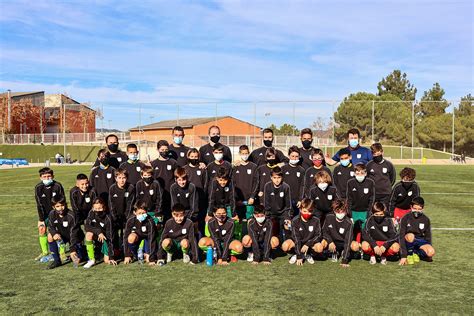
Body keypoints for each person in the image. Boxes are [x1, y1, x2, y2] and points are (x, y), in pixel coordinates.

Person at [34, 167, 65, 262]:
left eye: (49, 176)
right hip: (46, 214)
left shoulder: (58, 186)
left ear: (53, 176)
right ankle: (45, 252)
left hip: (58, 213)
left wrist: (61, 214)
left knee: (58, 232)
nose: (47, 178)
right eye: (44, 177)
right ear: (40, 177)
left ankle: (62, 252)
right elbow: (39, 204)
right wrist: (41, 219)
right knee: (42, 229)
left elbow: (63, 201)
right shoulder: (38, 187)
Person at [282, 198, 323, 265]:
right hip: (297, 242)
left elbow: (318, 235)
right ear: (300, 210)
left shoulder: (316, 220)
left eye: (310, 211)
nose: (307, 213)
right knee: (285, 246)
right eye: (305, 211)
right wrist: (299, 255)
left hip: (309, 243)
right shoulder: (295, 221)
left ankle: (308, 254)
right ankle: (295, 254)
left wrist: (308, 244)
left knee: (319, 248)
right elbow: (296, 238)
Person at [46, 196, 84, 269]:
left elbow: (74, 234)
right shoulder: (52, 214)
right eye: (58, 206)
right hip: (62, 236)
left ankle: (82, 252)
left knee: (78, 260)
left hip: (75, 238)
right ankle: (57, 261)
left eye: (62, 205)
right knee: (50, 236)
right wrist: (54, 233)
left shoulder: (71, 215)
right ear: (53, 207)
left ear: (66, 205)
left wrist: (72, 249)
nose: (61, 208)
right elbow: (51, 227)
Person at [321, 199, 358, 268]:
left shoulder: (349, 223)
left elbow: (348, 241)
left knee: (355, 246)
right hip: (333, 241)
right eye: (338, 210)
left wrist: (344, 260)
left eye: (342, 210)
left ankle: (344, 253)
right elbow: (324, 231)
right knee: (323, 243)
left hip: (343, 242)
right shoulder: (329, 217)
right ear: (334, 211)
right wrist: (330, 241)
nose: (340, 213)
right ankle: (333, 252)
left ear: (346, 211)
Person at [399, 197, 435, 265]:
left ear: (423, 208)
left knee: (431, 252)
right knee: (411, 236)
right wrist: (403, 255)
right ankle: (409, 254)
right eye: (415, 208)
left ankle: (416, 253)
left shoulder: (426, 219)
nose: (417, 211)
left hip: (419, 241)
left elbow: (428, 236)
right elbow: (401, 236)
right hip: (408, 240)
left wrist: (427, 254)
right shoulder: (405, 218)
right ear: (411, 207)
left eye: (419, 209)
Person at [108, 168, 135, 256]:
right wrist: (114, 217)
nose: (122, 180)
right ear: (116, 178)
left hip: (127, 215)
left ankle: (127, 251)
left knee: (126, 233)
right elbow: (111, 204)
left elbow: (130, 204)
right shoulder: (112, 188)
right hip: (115, 216)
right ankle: (115, 250)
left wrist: (126, 216)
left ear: (127, 178)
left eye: (124, 178)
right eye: (119, 178)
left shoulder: (131, 187)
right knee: (114, 233)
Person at [83, 198, 116, 269]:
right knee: (88, 234)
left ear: (104, 208)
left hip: (106, 239)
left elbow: (110, 238)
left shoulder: (108, 218)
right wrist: (99, 232)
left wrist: (111, 257)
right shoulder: (91, 213)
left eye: (100, 208)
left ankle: (117, 250)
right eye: (95, 208)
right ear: (93, 208)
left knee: (107, 261)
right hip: (97, 236)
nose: (97, 211)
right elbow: (87, 226)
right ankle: (91, 259)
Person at [346, 163, 375, 243]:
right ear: (354, 173)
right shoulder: (350, 182)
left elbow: (372, 198)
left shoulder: (370, 182)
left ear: (365, 173)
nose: (360, 175)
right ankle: (353, 249)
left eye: (362, 173)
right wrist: (350, 214)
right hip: (354, 211)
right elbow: (349, 199)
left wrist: (369, 212)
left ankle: (364, 249)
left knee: (364, 231)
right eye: (357, 173)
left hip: (365, 211)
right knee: (353, 231)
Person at [123, 201, 158, 266]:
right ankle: (134, 254)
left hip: (147, 239)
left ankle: (146, 253)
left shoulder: (150, 221)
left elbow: (151, 239)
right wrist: (127, 255)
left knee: (148, 260)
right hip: (137, 238)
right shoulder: (130, 220)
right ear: (134, 212)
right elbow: (125, 237)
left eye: (143, 213)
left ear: (147, 212)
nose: (142, 215)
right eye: (139, 213)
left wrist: (152, 259)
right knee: (131, 237)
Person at [263, 167, 292, 243]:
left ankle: (288, 245)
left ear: (282, 177)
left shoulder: (286, 187)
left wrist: (287, 217)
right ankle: (269, 244)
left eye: (279, 177)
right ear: (271, 177)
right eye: (274, 177)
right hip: (272, 214)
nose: (277, 180)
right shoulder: (267, 186)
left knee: (287, 226)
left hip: (283, 213)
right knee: (271, 229)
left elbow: (288, 205)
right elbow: (266, 203)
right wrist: (267, 217)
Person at [232, 145, 259, 225]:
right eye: (243, 153)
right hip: (238, 201)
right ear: (239, 154)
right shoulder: (236, 167)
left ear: (249, 153)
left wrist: (252, 197)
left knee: (250, 222)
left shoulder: (254, 167)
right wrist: (236, 199)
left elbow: (256, 182)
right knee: (238, 223)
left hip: (250, 201)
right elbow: (233, 184)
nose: (245, 155)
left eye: (246, 153)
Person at [151, 140, 177, 220]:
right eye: (162, 150)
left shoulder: (173, 162)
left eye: (166, 150)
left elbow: (177, 177)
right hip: (158, 195)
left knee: (170, 216)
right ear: (158, 150)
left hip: (170, 194)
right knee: (159, 218)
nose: (164, 152)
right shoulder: (153, 163)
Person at [183, 148, 208, 233]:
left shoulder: (202, 168)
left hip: (200, 200)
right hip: (188, 200)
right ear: (188, 156)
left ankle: (201, 241)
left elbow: (205, 184)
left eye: (196, 156)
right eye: (192, 156)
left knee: (201, 224)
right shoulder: (184, 169)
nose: (194, 158)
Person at [366, 143, 396, 207]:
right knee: (373, 212)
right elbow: (366, 178)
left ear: (382, 152)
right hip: (373, 193)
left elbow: (392, 178)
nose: (376, 156)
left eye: (378, 153)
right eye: (374, 154)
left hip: (386, 194)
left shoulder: (389, 164)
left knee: (385, 212)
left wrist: (386, 186)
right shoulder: (369, 165)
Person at [281, 146, 305, 216]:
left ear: (299, 157)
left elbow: (302, 185)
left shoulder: (301, 170)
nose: (294, 158)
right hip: (285, 199)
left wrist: (300, 199)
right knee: (286, 220)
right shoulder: (283, 169)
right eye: (292, 156)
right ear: (288, 156)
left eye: (296, 156)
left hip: (297, 201)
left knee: (296, 220)